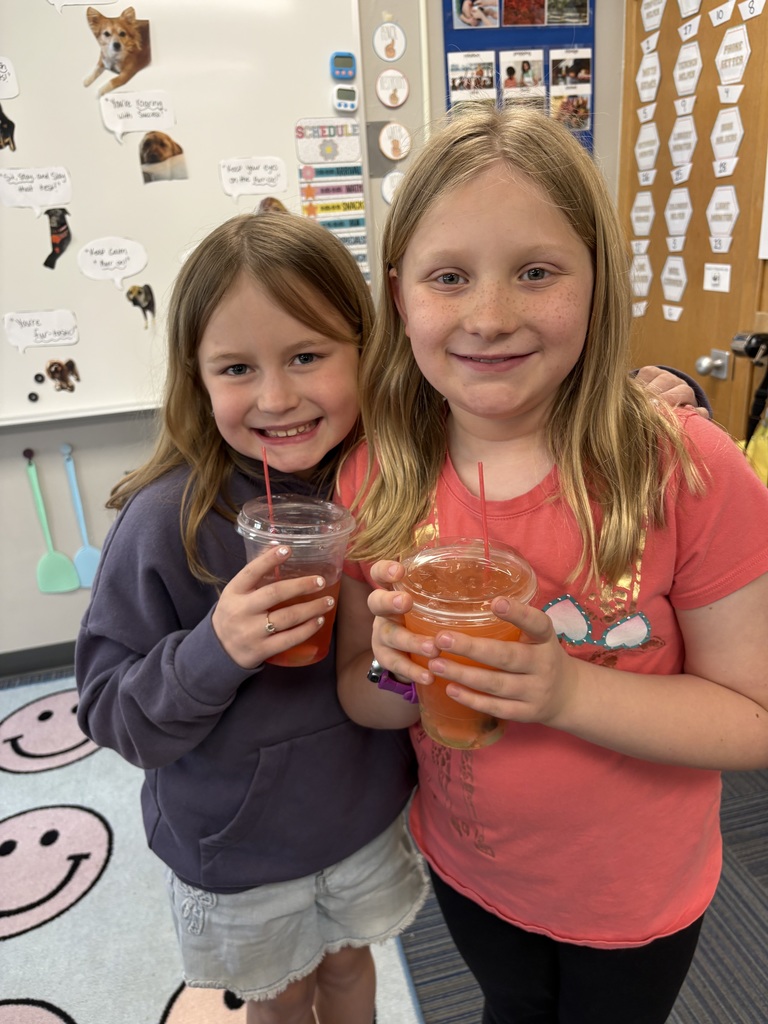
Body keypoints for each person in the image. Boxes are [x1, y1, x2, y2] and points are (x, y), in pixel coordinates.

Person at [336, 105, 768, 1024]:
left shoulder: (686, 471)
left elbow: (756, 718)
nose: (490, 318)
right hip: (468, 865)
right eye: (449, 277)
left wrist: (566, 694)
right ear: (400, 292)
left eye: (536, 273)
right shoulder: (377, 476)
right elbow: (362, 694)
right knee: (508, 1009)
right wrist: (400, 670)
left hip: (633, 895)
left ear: (597, 283)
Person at [75, 212, 430, 1024]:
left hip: (363, 819)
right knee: (281, 999)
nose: (276, 397)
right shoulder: (165, 519)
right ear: (196, 379)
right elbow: (109, 712)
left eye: (307, 356)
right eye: (237, 368)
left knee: (348, 976)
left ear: (365, 351)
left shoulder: (390, 482)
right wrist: (214, 650)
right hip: (237, 852)